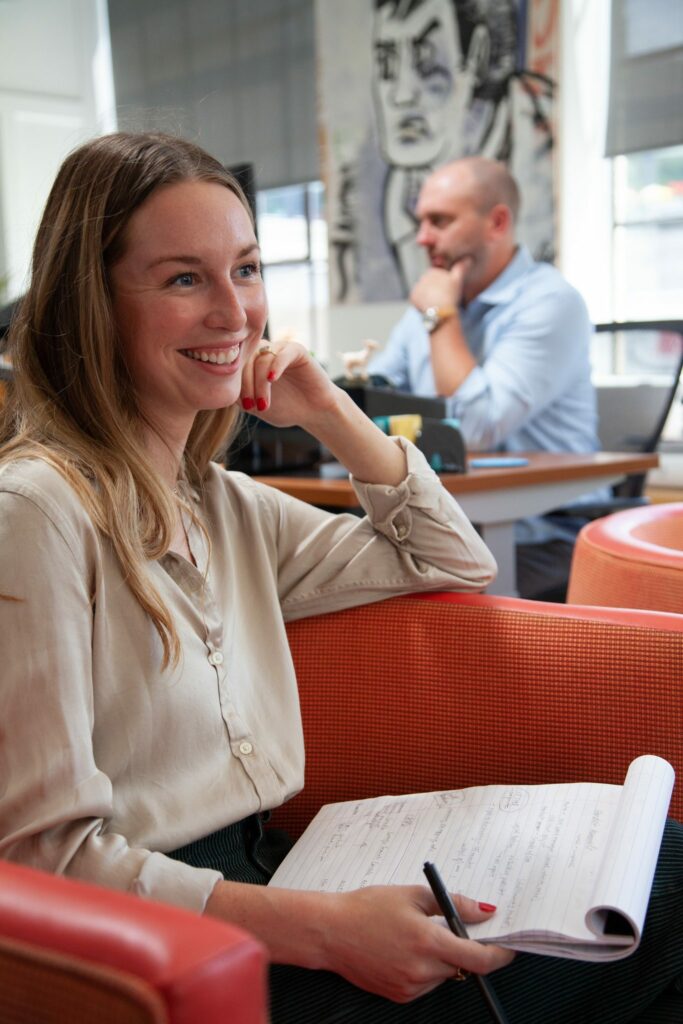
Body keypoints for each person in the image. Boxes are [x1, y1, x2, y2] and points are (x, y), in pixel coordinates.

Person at [0, 133, 681, 1024]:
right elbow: (39, 856)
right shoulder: (37, 511)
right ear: (94, 305)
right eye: (182, 278)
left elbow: (450, 559)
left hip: (280, 878)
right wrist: (321, 929)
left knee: (657, 865)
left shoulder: (222, 502)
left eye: (245, 269)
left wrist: (331, 410)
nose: (235, 311)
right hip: (184, 948)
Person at [369, 156, 600, 600]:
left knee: (411, 606)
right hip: (453, 523)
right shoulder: (435, 300)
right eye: (420, 222)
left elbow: (473, 429)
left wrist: (441, 317)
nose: (422, 238)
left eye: (439, 221)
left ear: (496, 222)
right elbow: (375, 395)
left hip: (546, 530)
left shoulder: (550, 301)